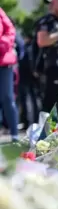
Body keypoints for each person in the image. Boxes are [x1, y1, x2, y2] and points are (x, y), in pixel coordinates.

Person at [0, 8, 19, 141]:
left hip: (4, 62)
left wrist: (2, 45)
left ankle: (14, 134)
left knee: (7, 98)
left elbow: (10, 31)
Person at [18, 35, 40, 129]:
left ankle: (31, 121)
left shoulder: (30, 46)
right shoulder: (32, 46)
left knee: (30, 99)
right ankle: (33, 121)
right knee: (33, 99)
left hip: (27, 76)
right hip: (30, 75)